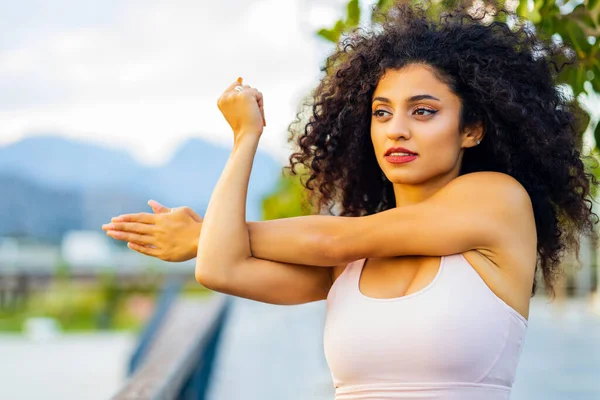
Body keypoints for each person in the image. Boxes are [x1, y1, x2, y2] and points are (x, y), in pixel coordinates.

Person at [102, 3, 598, 398]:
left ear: (471, 129)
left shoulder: (498, 202)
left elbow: (331, 236)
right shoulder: (351, 263)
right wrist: (244, 138)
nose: (397, 129)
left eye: (423, 112)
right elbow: (220, 266)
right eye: (382, 113)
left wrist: (204, 229)